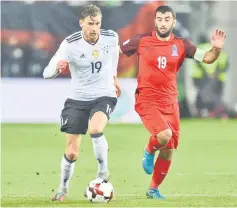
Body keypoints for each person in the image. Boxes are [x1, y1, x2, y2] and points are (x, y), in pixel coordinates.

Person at [119, 5, 226, 199]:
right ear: (155, 21)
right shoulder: (141, 40)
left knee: (168, 150)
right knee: (164, 135)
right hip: (147, 99)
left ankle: (153, 190)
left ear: (173, 21)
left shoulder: (182, 45)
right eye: (159, 19)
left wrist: (216, 48)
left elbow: (208, 58)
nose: (162, 23)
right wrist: (111, 77)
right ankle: (148, 150)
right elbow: (115, 53)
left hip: (170, 102)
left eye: (167, 19)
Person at [43, 4, 121, 201]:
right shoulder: (70, 44)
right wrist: (56, 70)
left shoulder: (111, 37)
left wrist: (114, 77)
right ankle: (62, 188)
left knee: (96, 129)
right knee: (71, 153)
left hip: (104, 94)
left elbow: (113, 55)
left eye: (97, 23)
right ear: (81, 23)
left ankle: (103, 172)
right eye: (90, 24)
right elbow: (46, 73)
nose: (94, 28)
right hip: (77, 98)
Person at [191, 35, 228, 118]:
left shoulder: (200, 48)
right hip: (217, 77)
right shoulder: (220, 52)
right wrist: (215, 73)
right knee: (216, 95)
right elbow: (224, 65)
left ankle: (202, 111)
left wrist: (207, 73)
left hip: (200, 76)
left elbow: (199, 62)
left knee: (202, 94)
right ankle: (216, 111)